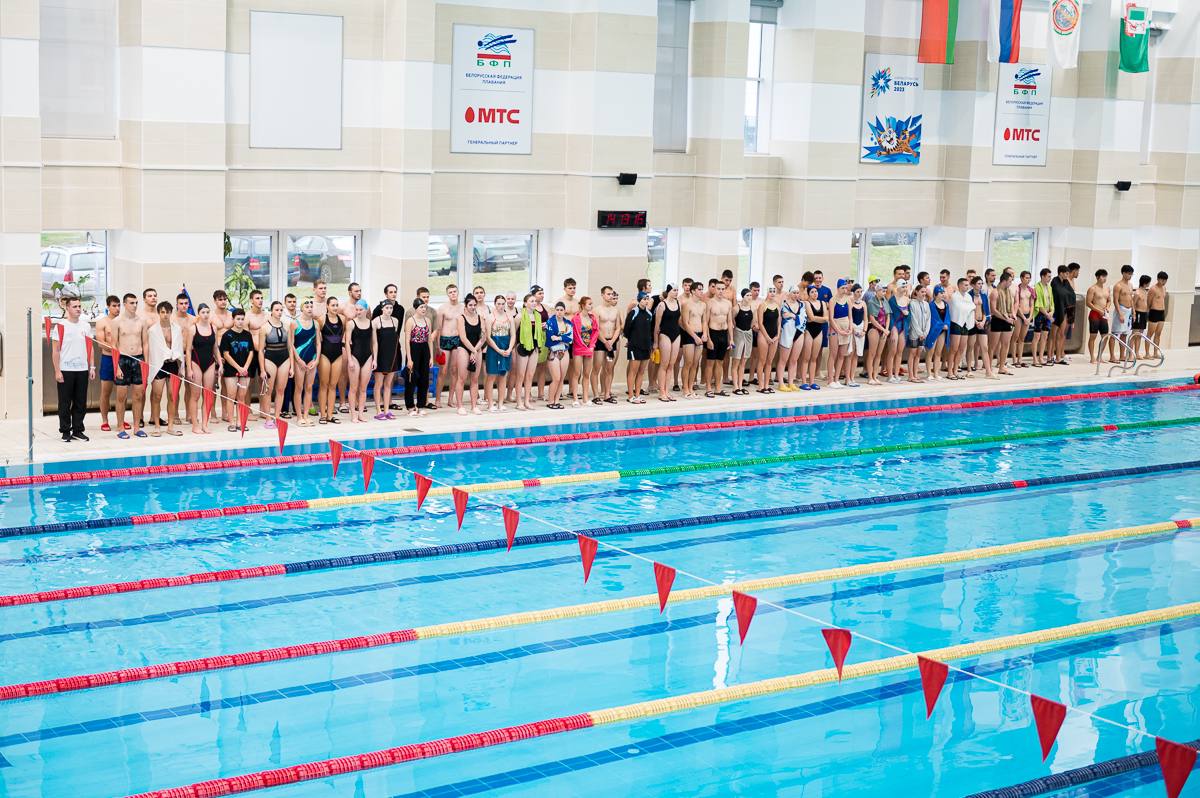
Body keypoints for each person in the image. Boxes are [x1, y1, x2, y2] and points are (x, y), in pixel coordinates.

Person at [51, 296, 94, 442]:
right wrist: (57, 370)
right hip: (65, 370)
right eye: (75, 306)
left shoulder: (86, 326)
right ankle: (65, 431)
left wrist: (92, 366)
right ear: (67, 308)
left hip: (82, 369)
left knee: (80, 402)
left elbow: (90, 348)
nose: (78, 309)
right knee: (64, 402)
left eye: (79, 306)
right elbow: (56, 351)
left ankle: (77, 430)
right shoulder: (60, 326)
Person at [144, 300, 184, 437]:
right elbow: (153, 351)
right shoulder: (153, 331)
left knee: (172, 396)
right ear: (158, 313)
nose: (165, 315)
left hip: (173, 364)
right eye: (162, 312)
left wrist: (181, 366)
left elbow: (179, 347)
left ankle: (170, 426)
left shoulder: (177, 329)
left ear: (171, 313)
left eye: (167, 312)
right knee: (157, 396)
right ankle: (156, 426)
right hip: (159, 365)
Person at [112, 293, 148, 439]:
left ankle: (137, 427)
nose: (134, 305)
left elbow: (145, 343)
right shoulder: (117, 322)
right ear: (125, 304)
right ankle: (120, 427)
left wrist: (146, 363)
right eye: (131, 303)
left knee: (138, 396)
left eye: (136, 303)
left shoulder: (142, 321)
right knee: (121, 396)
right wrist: (117, 366)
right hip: (123, 359)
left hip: (138, 359)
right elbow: (114, 345)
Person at [219, 308, 257, 432]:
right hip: (231, 370)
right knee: (231, 396)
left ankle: (240, 422)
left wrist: (245, 367)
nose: (240, 321)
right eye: (238, 319)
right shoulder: (227, 335)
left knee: (242, 397)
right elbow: (226, 354)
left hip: (245, 370)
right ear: (233, 320)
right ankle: (231, 423)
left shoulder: (247, 334)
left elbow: (251, 352)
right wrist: (238, 368)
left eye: (242, 319)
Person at [186, 303, 220, 434]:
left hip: (210, 363)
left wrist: (220, 363)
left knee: (208, 394)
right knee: (195, 395)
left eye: (207, 312)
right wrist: (189, 368)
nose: (205, 315)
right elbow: (188, 350)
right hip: (196, 362)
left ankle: (205, 424)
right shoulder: (193, 329)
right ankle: (195, 425)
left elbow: (215, 348)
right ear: (199, 314)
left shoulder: (214, 328)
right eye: (203, 312)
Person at [261, 301, 292, 427]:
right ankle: (268, 418)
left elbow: (290, 347)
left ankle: (277, 417)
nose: (279, 312)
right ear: (271, 311)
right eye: (277, 310)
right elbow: (260, 351)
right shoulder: (265, 327)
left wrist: (292, 366)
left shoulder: (287, 326)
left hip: (285, 358)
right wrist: (262, 369)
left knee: (281, 390)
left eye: (281, 310)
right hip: (270, 358)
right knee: (269, 390)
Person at [290, 298, 320, 426]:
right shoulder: (295, 323)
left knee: (309, 387)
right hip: (300, 359)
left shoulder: (316, 324)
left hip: (311, 359)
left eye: (311, 307)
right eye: (307, 307)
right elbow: (291, 344)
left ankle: (306, 415)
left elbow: (318, 343)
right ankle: (299, 416)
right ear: (302, 308)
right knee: (299, 388)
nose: (309, 309)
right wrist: (298, 360)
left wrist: (316, 359)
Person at [513, 293, 545, 411]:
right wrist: (513, 348)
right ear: (525, 303)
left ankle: (526, 401)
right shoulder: (520, 316)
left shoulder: (538, 316)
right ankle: (519, 402)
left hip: (534, 347)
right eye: (531, 301)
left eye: (535, 301)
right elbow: (513, 333)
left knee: (530, 375)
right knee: (520, 375)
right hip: (522, 347)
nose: (534, 303)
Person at [95, 294, 122, 432]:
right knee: (106, 392)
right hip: (108, 359)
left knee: (121, 392)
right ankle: (105, 421)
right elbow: (101, 343)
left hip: (122, 360)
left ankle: (120, 420)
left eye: (119, 306)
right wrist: (116, 349)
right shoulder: (102, 323)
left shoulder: (123, 322)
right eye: (114, 306)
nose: (117, 308)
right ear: (108, 307)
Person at [317, 297, 345, 424]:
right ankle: (322, 415)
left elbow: (342, 336)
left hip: (338, 354)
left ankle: (330, 415)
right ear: (327, 306)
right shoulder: (321, 319)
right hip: (325, 354)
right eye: (333, 305)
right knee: (324, 385)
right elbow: (317, 340)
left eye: (336, 305)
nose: (335, 307)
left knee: (333, 385)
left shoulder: (342, 319)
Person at [402, 299, 434, 415]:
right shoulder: (411, 321)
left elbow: (429, 340)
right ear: (415, 308)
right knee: (411, 379)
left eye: (425, 307)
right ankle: (410, 406)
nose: (424, 309)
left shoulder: (428, 320)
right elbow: (407, 341)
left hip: (424, 349)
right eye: (421, 307)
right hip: (413, 348)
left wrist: (431, 357)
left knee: (424, 379)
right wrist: (409, 359)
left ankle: (420, 405)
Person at [372, 300, 402, 420]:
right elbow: (374, 343)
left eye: (391, 308)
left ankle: (386, 410)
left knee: (388, 384)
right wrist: (375, 359)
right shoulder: (375, 322)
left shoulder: (395, 321)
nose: (389, 310)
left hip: (392, 356)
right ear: (382, 309)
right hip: (380, 356)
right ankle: (378, 410)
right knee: (378, 384)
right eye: (387, 308)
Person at [435, 284, 464, 410]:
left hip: (457, 340)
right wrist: (437, 346)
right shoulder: (442, 308)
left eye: (454, 291)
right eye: (450, 292)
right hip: (445, 340)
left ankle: (451, 399)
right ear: (447, 294)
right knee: (443, 370)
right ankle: (437, 399)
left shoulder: (463, 308)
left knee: (454, 370)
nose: (453, 294)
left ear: (458, 292)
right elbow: (438, 328)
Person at [484, 295, 513, 411]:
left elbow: (513, 335)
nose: (501, 306)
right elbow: (488, 337)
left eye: (502, 304)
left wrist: (509, 349)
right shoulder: (490, 317)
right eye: (498, 304)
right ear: (495, 304)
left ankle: (501, 403)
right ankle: (490, 403)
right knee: (491, 375)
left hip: (506, 347)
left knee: (503, 376)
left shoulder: (509, 317)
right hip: (494, 348)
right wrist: (498, 350)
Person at [624, 292, 654, 403]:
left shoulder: (649, 314)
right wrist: (631, 341)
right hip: (635, 346)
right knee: (633, 371)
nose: (646, 301)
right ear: (639, 300)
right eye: (644, 299)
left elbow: (650, 330)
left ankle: (637, 395)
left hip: (646, 346)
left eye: (647, 299)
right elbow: (626, 329)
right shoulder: (634, 312)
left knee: (641, 372)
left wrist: (650, 344)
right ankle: (630, 396)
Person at [346, 305, 374, 423]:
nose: (358, 312)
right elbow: (347, 343)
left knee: (363, 388)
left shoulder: (371, 324)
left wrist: (374, 359)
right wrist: (349, 359)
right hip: (354, 357)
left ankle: (361, 414)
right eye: (356, 310)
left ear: (366, 310)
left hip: (368, 357)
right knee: (353, 388)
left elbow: (374, 343)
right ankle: (353, 414)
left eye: (360, 310)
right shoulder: (351, 323)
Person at [704, 283, 732, 397]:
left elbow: (729, 321)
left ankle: (718, 388)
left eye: (723, 289)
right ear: (715, 289)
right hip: (713, 333)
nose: (720, 291)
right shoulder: (709, 303)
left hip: (723, 334)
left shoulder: (728, 303)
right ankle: (708, 388)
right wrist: (708, 339)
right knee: (710, 362)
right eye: (718, 289)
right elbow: (705, 322)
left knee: (720, 362)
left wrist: (731, 339)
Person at [594, 286, 622, 404]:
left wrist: (612, 341)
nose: (610, 296)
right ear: (602, 295)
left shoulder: (616, 310)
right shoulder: (597, 310)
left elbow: (618, 327)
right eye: (608, 294)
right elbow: (596, 328)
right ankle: (596, 395)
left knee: (609, 369)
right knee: (596, 369)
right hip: (601, 342)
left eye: (611, 294)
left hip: (611, 342)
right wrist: (605, 342)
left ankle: (607, 394)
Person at [653, 286, 681, 402]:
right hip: (664, 334)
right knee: (664, 365)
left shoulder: (679, 303)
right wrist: (655, 342)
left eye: (677, 290)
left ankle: (667, 391)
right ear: (668, 291)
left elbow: (679, 321)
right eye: (674, 290)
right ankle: (661, 392)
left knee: (671, 364)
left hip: (676, 334)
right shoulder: (662, 305)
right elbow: (657, 325)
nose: (676, 292)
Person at [679, 280, 707, 399]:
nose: (701, 291)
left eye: (702, 289)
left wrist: (705, 334)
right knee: (688, 363)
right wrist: (695, 337)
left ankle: (691, 387)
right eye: (699, 289)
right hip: (689, 335)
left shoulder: (703, 305)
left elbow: (704, 321)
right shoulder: (686, 304)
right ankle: (685, 389)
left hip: (700, 335)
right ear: (693, 291)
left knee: (695, 364)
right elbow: (685, 323)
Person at [544, 301, 573, 410]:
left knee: (561, 379)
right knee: (556, 378)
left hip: (565, 352)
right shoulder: (550, 322)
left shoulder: (568, 323)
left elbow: (570, 338)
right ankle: (550, 401)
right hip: (554, 352)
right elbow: (551, 338)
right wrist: (562, 338)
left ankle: (556, 401)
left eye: (561, 310)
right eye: (557, 310)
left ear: (564, 311)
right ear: (555, 311)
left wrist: (559, 337)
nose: (559, 312)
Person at [571, 296, 598, 406]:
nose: (591, 306)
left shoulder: (592, 318)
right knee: (577, 373)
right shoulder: (575, 318)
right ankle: (575, 398)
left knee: (587, 374)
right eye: (589, 304)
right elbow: (575, 335)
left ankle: (585, 398)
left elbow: (595, 332)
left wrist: (591, 345)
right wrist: (583, 345)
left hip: (589, 348)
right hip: (578, 348)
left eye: (592, 304)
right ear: (583, 305)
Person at [948, 279, 975, 380]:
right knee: (954, 349)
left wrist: (969, 307)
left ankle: (955, 370)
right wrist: (969, 307)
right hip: (956, 322)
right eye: (965, 285)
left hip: (965, 324)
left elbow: (972, 307)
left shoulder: (968, 296)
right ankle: (949, 372)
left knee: (961, 349)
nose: (967, 287)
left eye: (968, 285)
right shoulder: (954, 296)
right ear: (959, 285)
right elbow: (960, 308)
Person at [990, 272, 1016, 375]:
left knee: (1005, 344)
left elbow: (1011, 306)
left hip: (1007, 319)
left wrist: (1012, 315)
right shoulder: (995, 292)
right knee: (993, 346)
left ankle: (1001, 367)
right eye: (1010, 281)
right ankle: (989, 368)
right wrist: (1006, 319)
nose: (1011, 283)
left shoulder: (1008, 292)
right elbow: (993, 310)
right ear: (1004, 281)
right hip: (997, 320)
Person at [754, 287, 780, 394]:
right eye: (770, 291)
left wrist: (777, 335)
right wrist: (767, 337)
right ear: (767, 293)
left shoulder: (777, 306)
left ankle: (766, 385)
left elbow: (779, 323)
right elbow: (760, 323)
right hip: (764, 336)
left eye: (774, 292)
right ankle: (760, 386)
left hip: (774, 337)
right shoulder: (762, 305)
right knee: (762, 361)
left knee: (770, 362)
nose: (772, 293)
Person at [730, 288, 755, 396]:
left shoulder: (752, 308)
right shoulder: (736, 308)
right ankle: (735, 386)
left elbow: (753, 322)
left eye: (750, 295)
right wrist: (732, 336)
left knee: (743, 362)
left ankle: (740, 385)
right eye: (747, 295)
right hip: (738, 334)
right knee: (736, 361)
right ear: (743, 297)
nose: (749, 297)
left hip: (748, 334)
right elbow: (731, 321)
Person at [865, 282, 889, 386]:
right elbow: (872, 319)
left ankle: (875, 376)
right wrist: (883, 330)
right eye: (882, 291)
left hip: (883, 330)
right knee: (872, 354)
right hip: (874, 329)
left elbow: (888, 317)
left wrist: (886, 329)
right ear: (877, 291)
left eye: (885, 291)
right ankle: (870, 377)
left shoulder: (885, 301)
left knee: (879, 355)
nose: (884, 293)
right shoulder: (871, 302)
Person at [1085, 269, 1112, 363]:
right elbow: (1088, 303)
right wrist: (1098, 310)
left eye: (1105, 276)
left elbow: (1109, 300)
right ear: (1097, 277)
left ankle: (1099, 357)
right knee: (1093, 336)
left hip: (1103, 314)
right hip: (1095, 314)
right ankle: (1092, 357)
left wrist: (1107, 307)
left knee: (1105, 336)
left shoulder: (1107, 289)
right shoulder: (1092, 289)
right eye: (1103, 276)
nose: (1105, 278)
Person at [925, 286, 950, 381]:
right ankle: (929, 373)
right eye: (941, 293)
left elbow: (947, 317)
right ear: (935, 294)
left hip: (942, 331)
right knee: (930, 353)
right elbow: (932, 319)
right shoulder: (931, 305)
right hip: (933, 331)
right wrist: (941, 325)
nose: (943, 294)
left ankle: (936, 373)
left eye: (943, 292)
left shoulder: (946, 305)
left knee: (938, 353)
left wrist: (946, 324)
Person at [1032, 268, 1056, 367]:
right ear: (1043, 276)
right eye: (1048, 276)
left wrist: (1052, 311)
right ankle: (1035, 358)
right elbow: (1038, 303)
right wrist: (1047, 314)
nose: (1050, 278)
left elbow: (1052, 302)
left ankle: (1041, 357)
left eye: (1050, 276)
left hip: (1048, 314)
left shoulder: (1049, 287)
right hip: (1040, 314)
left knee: (1045, 336)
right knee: (1037, 336)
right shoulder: (1037, 287)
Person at [906, 284, 929, 383]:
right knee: (912, 353)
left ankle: (915, 374)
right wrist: (920, 333)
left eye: (925, 292)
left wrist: (925, 332)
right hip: (915, 333)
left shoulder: (926, 304)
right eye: (922, 292)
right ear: (916, 292)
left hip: (923, 333)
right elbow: (913, 320)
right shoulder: (912, 303)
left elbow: (928, 319)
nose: (924, 294)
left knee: (918, 354)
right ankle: (910, 376)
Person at [1110, 264, 1135, 356]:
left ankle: (1121, 355)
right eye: (1129, 274)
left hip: (1129, 311)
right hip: (1121, 310)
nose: (1130, 276)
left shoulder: (1130, 285)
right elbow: (1115, 300)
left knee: (1125, 334)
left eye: (1131, 274)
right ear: (1123, 273)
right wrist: (1120, 313)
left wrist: (1134, 312)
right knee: (1115, 334)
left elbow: (1131, 299)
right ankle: (1112, 356)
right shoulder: (1118, 285)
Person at [1012, 271, 1034, 367]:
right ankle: (1014, 359)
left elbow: (1032, 305)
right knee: (1015, 337)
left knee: (1022, 338)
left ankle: (1020, 359)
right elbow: (1016, 304)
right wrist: (1024, 317)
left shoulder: (1031, 290)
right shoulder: (1017, 289)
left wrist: (1030, 317)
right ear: (1021, 278)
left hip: (1027, 315)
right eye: (1026, 278)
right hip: (1019, 315)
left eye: (1029, 278)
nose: (1028, 280)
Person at [1147, 271, 1169, 350]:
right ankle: (1147, 353)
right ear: (1158, 279)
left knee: (1158, 334)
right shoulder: (1153, 289)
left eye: (1165, 280)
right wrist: (1150, 311)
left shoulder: (1164, 288)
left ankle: (1155, 352)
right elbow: (1148, 302)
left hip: (1162, 313)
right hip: (1154, 312)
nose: (1164, 282)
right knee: (1150, 334)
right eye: (1162, 280)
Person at [1132, 274, 1151, 357]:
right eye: (1148, 282)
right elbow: (1133, 304)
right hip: (1138, 314)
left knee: (1140, 335)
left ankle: (1137, 353)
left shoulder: (1145, 291)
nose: (1149, 284)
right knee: (1134, 334)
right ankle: (1130, 354)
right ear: (1145, 283)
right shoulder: (1137, 292)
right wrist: (1134, 314)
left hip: (1144, 314)